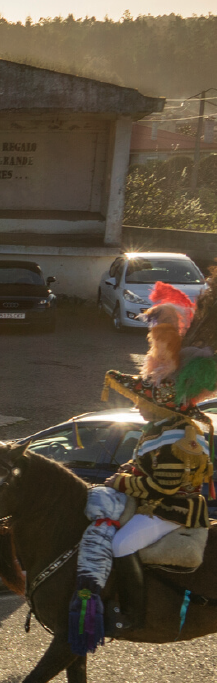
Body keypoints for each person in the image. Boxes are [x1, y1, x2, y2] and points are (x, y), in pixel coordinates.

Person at [78, 272, 217, 635]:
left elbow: (161, 485)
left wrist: (120, 480)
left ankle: (132, 610)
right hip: (154, 504)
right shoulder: (160, 429)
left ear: (164, 408)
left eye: (143, 402)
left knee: (121, 545)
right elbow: (142, 466)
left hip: (171, 511)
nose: (139, 407)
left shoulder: (181, 438)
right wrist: (125, 473)